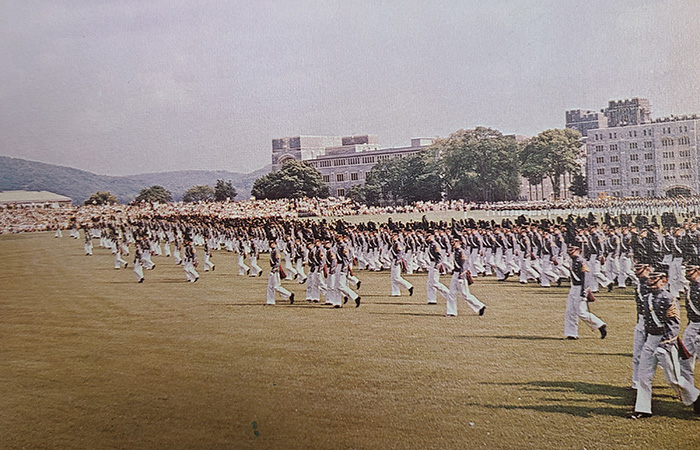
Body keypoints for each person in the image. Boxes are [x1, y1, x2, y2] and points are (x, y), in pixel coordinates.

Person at [629, 272, 700, 418]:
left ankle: (696, 395)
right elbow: (647, 323)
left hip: (666, 342)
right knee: (643, 376)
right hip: (651, 339)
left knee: (673, 379)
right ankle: (643, 409)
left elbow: (674, 326)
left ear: (663, 281)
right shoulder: (647, 297)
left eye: (655, 279)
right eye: (650, 279)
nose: (651, 282)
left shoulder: (669, 298)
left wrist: (666, 344)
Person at [564, 246, 607, 340]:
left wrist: (584, 291)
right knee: (570, 312)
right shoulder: (572, 261)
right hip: (573, 287)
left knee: (581, 312)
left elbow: (586, 278)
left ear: (578, 251)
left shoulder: (581, 262)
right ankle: (571, 333)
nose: (570, 253)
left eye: (572, 251)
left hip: (580, 288)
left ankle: (600, 324)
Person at [446, 237, 486, 317]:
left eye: (455, 241)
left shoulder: (461, 251)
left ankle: (480, 306)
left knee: (465, 294)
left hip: (460, 274)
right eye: (452, 242)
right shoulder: (456, 251)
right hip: (456, 273)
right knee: (451, 293)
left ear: (459, 242)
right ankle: (451, 312)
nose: (453, 243)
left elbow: (464, 264)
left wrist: (462, 275)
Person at [680, 266, 700, 387]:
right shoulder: (690, 287)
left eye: (690, 271)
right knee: (685, 357)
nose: (687, 274)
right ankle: (687, 387)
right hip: (692, 325)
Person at [266, 240, 294, 305]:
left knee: (275, 286)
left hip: (275, 269)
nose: (271, 245)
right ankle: (270, 301)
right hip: (273, 268)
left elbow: (278, 260)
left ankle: (289, 294)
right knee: (271, 286)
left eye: (272, 243)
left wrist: (275, 268)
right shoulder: (273, 250)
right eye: (270, 244)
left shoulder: (276, 250)